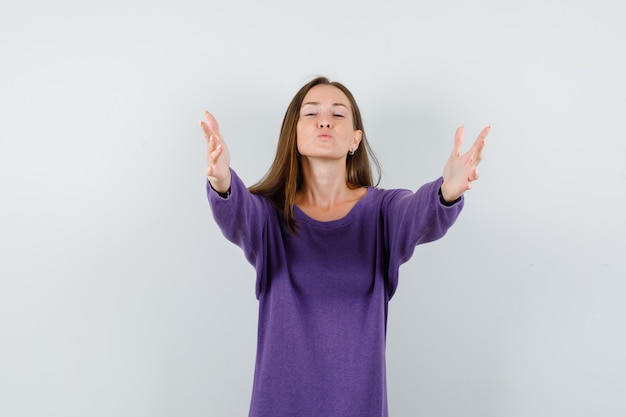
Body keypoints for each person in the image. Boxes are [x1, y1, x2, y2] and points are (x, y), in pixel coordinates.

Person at [200, 76, 491, 417]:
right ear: (293, 134)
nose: (324, 120)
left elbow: (418, 214)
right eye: (311, 114)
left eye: (338, 114)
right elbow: (238, 212)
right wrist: (221, 181)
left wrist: (447, 191)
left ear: (355, 140)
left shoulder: (383, 212)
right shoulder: (268, 217)